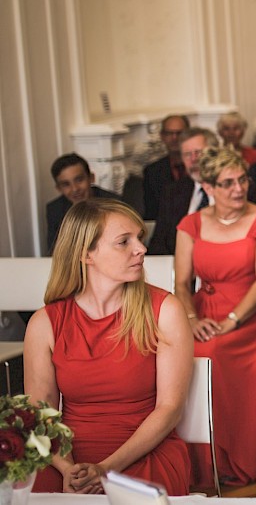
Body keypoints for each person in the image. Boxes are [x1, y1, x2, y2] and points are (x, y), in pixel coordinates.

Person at [26, 198, 192, 495]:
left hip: (144, 449)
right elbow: (42, 417)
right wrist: (67, 469)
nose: (141, 248)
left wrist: (104, 468)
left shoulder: (165, 309)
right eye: (123, 242)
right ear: (86, 254)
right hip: (66, 455)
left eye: (139, 238)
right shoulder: (45, 323)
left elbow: (169, 409)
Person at [173, 147, 256, 486]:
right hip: (203, 308)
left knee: (213, 352)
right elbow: (180, 282)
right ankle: (195, 461)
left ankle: (233, 457)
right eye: (227, 183)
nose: (238, 189)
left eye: (242, 180)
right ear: (208, 188)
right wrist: (191, 320)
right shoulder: (190, 223)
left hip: (253, 310)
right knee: (177, 352)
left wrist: (232, 320)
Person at [147, 128, 219, 256]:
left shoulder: (232, 188)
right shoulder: (172, 192)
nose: (193, 159)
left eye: (198, 152)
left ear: (215, 153)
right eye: (187, 154)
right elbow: (159, 242)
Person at [46, 153, 123, 254]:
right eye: (66, 184)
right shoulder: (54, 209)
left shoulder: (114, 203)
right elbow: (55, 251)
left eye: (79, 180)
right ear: (59, 189)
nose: (75, 189)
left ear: (91, 178)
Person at [142, 114, 190, 220]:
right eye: (169, 133)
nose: (174, 138)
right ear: (162, 136)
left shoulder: (199, 167)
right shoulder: (152, 172)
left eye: (179, 133)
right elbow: (152, 213)